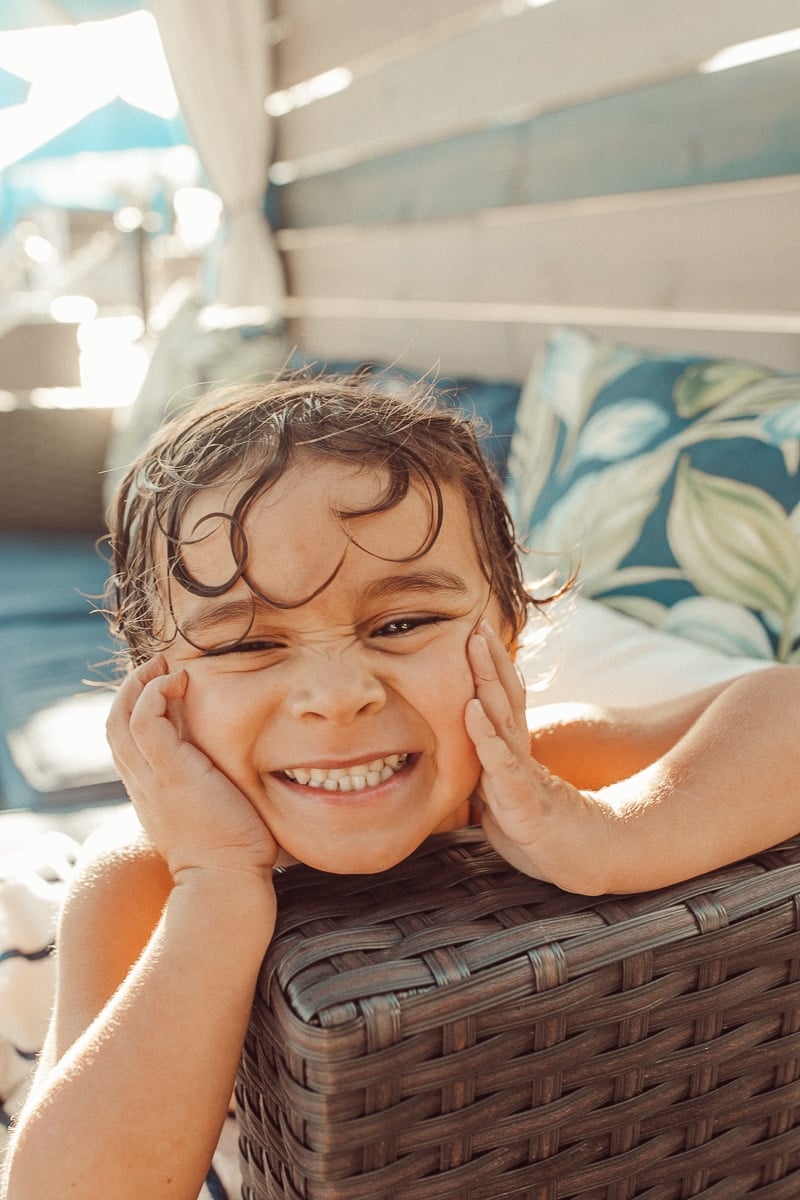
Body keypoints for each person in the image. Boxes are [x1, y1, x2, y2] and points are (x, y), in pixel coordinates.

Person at [2, 374, 799, 1200]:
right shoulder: (148, 877)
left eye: (402, 625)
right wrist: (219, 888)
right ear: (157, 694)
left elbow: (786, 707)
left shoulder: (539, 773)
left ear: (507, 636)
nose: (338, 694)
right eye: (246, 645)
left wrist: (610, 834)